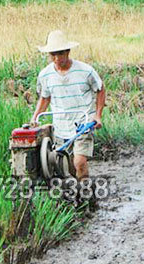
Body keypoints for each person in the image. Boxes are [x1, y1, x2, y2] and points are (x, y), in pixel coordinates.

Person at [31, 30, 106, 181]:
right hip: (61, 127)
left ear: (67, 52)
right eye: (53, 54)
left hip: (82, 123)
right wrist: (35, 118)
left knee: (79, 162)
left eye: (60, 54)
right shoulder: (45, 75)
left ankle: (86, 197)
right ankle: (77, 192)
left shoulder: (85, 71)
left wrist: (97, 115)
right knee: (68, 168)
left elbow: (100, 89)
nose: (57, 58)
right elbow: (45, 98)